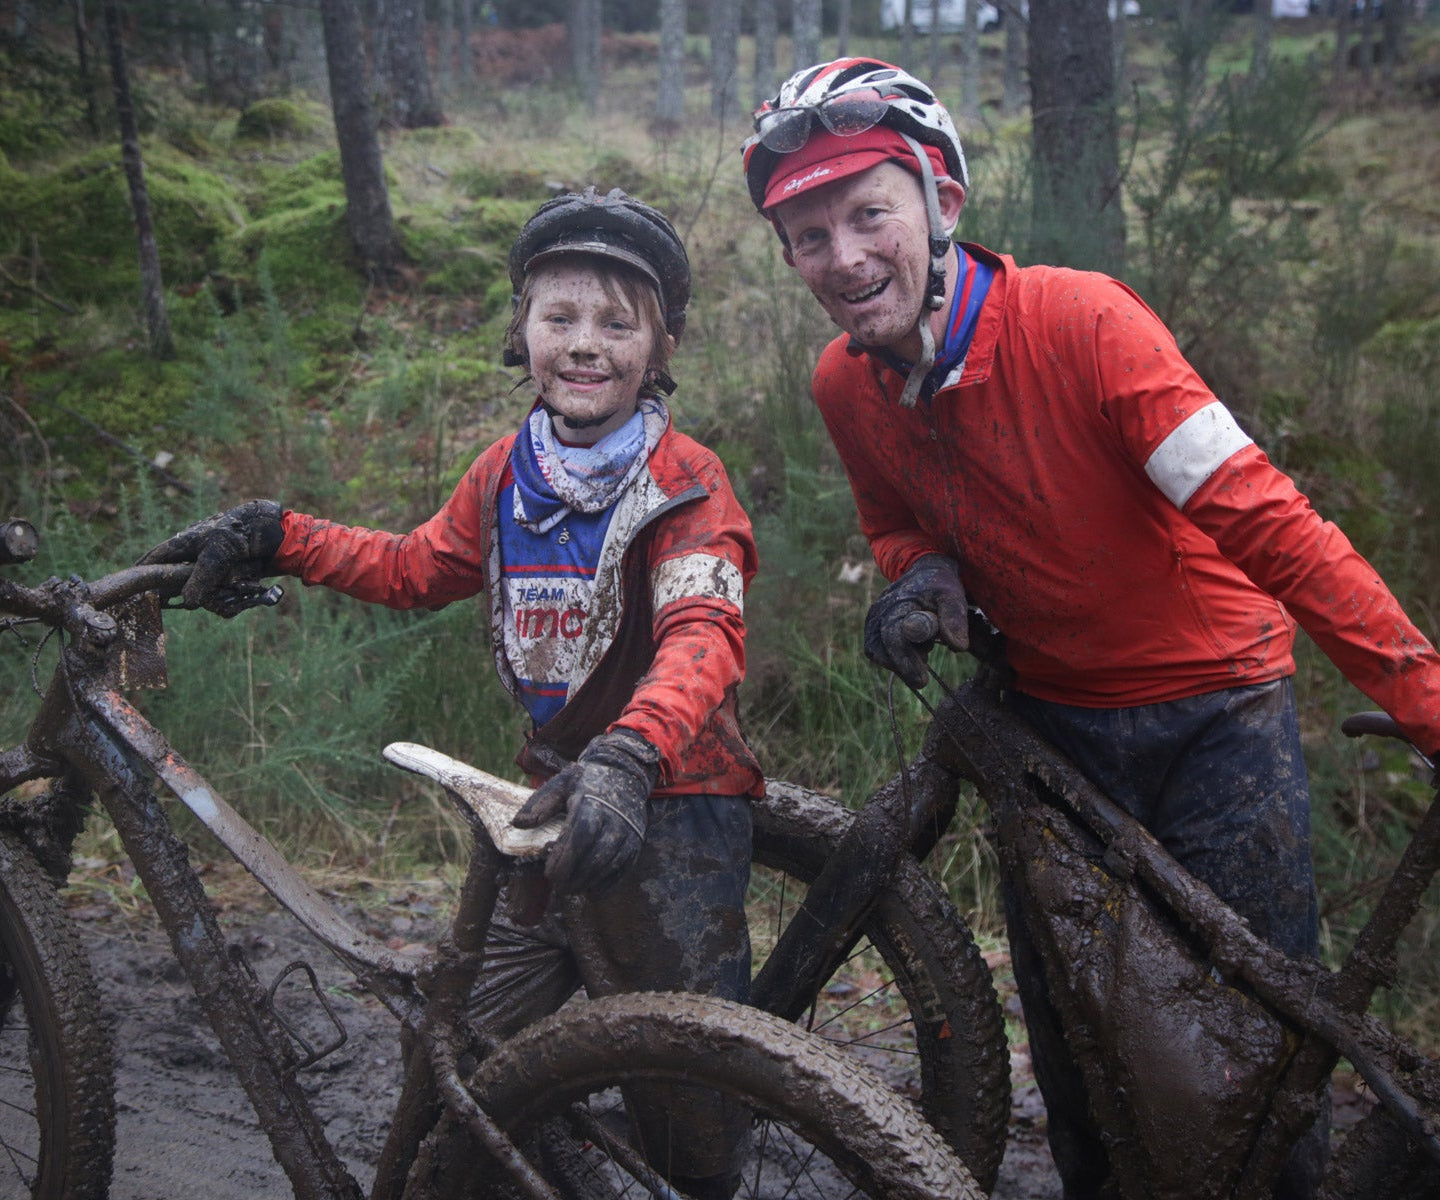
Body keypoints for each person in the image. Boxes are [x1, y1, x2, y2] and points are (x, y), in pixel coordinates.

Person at [741, 57, 1440, 1200]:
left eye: (869, 213)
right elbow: (892, 518)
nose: (845, 257)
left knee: (1254, 1043)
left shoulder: (1083, 324)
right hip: (1048, 722)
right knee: (1078, 1035)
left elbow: (1268, 522)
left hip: (1215, 709)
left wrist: (1423, 693)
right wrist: (922, 576)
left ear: (942, 203)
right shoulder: (843, 383)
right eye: (808, 235)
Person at [140, 186, 761, 1199]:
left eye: (618, 321)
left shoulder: (687, 482)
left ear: (661, 345)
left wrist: (632, 751)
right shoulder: (508, 471)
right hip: (551, 804)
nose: (586, 343)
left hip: (674, 815)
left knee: (687, 1104)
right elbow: (414, 565)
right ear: (520, 332)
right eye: (560, 317)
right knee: (461, 1059)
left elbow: (703, 632)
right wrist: (281, 534)